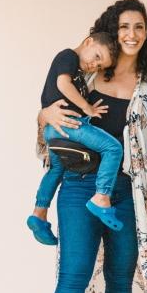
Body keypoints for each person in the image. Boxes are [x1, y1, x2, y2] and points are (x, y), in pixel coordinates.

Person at [37, 0, 147, 293]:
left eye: (139, 27)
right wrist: (45, 115)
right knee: (73, 278)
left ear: (146, 33)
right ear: (113, 31)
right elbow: (49, 116)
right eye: (124, 26)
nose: (132, 34)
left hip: (128, 192)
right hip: (77, 186)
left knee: (121, 281)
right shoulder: (84, 72)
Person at [28, 32, 124, 246]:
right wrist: (85, 106)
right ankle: (101, 197)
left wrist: (90, 110)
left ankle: (39, 214)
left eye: (100, 66)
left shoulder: (80, 74)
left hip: (54, 130)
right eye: (97, 57)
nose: (95, 65)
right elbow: (63, 85)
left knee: (56, 169)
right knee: (113, 148)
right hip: (64, 125)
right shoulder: (68, 56)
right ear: (88, 41)